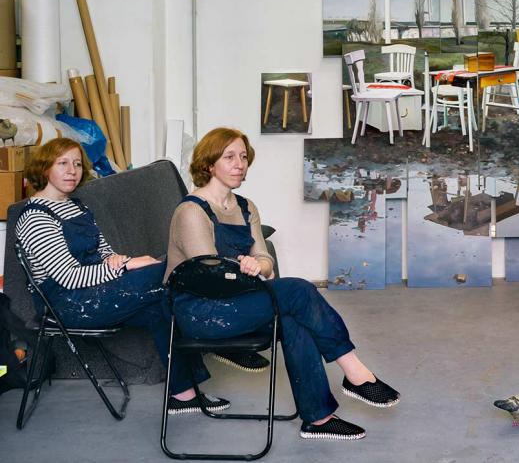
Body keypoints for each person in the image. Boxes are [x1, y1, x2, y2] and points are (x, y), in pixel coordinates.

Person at [165, 127, 399, 441]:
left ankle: (318, 418)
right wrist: (244, 267)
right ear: (209, 164)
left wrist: (256, 264)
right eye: (229, 157)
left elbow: (265, 261)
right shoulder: (191, 211)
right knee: (299, 290)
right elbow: (208, 280)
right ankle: (355, 373)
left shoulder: (245, 208)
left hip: (237, 303)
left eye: (244, 157)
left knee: (292, 318)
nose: (240, 164)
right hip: (202, 313)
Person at [14, 138, 226, 414]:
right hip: (68, 305)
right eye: (62, 163)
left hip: (98, 292)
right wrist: (125, 266)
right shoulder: (35, 218)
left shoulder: (77, 207)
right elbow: (68, 277)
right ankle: (225, 331)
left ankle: (183, 395)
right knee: (171, 268)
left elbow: (104, 254)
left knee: (163, 302)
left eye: (77, 163)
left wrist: (117, 260)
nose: (72, 170)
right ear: (44, 169)